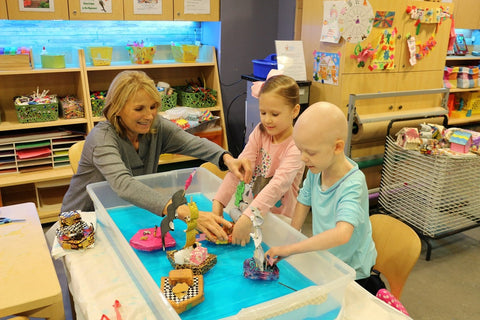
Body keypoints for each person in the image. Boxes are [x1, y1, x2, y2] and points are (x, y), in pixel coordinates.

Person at [61, 70, 251, 241]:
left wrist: (227, 158)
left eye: (153, 107)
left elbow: (191, 143)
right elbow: (124, 185)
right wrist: (184, 211)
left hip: (122, 213)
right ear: (117, 109)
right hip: (82, 221)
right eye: (139, 109)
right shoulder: (101, 138)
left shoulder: (155, 126)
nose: (149, 115)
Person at [264, 102, 382, 295]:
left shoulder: (353, 183)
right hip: (328, 260)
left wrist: (292, 248)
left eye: (309, 152)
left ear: (337, 147)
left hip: (355, 273)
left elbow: (342, 234)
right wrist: (290, 238)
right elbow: (304, 200)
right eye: (300, 149)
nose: (303, 158)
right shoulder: (317, 168)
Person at [211, 74, 305, 246]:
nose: (267, 119)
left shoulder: (296, 146)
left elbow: (278, 185)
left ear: (295, 111)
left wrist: (248, 217)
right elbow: (239, 168)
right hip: (251, 212)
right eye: (263, 112)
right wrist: (219, 201)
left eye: (275, 114)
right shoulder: (260, 131)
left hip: (279, 221)